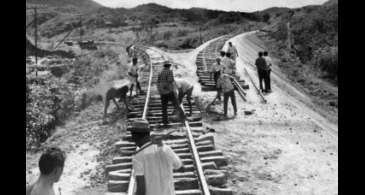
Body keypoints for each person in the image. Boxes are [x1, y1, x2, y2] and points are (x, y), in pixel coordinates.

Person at [131, 128, 185, 195]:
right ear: (149, 135)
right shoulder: (166, 149)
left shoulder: (138, 157)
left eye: (132, 136)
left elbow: (141, 189)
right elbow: (181, 168)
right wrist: (162, 147)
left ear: (135, 137)